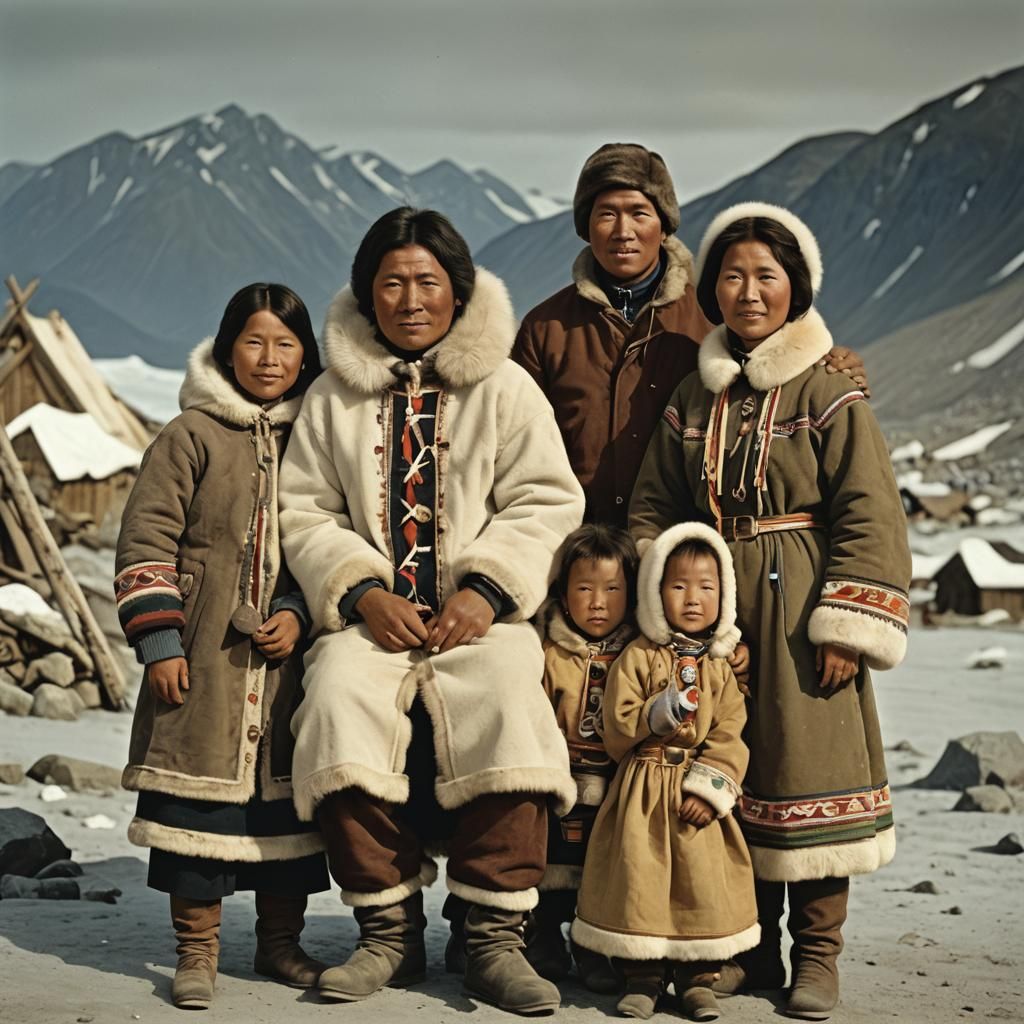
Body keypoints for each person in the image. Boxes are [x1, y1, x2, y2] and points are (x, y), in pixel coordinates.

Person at [277, 207, 584, 1014]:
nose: (410, 300)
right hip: (370, 623)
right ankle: (388, 933)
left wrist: (487, 591)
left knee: (512, 703)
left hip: (483, 622)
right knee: (336, 698)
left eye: (427, 282)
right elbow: (304, 510)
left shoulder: (504, 387)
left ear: (459, 290)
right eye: (392, 283)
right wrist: (361, 591)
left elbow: (547, 501)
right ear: (366, 294)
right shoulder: (332, 397)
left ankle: (493, 940)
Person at [630, 203, 912, 1020]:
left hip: (803, 609)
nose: (749, 292)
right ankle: (748, 949)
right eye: (732, 276)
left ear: (797, 286)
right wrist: (675, 602)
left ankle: (817, 956)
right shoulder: (695, 395)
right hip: (715, 611)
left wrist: (848, 626)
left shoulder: (829, 391)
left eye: (767, 275)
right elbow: (652, 504)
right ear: (711, 291)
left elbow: (869, 510)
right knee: (732, 768)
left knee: (809, 770)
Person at [113, 283, 328, 1010]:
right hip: (203, 656)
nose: (269, 358)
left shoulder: (315, 440)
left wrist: (298, 611)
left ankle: (279, 943)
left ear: (306, 355)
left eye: (285, 344)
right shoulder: (190, 435)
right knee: (195, 818)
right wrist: (160, 641)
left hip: (287, 669)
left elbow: (325, 541)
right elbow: (146, 538)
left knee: (286, 815)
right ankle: (197, 951)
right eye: (254, 341)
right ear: (227, 348)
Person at [512, 142, 868, 529]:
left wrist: (829, 363)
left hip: (686, 551)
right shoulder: (545, 329)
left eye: (639, 213)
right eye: (606, 214)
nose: (623, 231)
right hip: (580, 550)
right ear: (586, 226)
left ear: (664, 225)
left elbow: (779, 371)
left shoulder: (714, 316)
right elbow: (518, 445)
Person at [572, 524, 757, 1021]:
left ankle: (697, 979)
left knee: (701, 884)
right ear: (655, 592)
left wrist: (711, 788)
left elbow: (730, 731)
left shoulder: (720, 667)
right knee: (640, 879)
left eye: (706, 587)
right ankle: (643, 976)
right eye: (678, 586)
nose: (693, 599)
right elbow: (615, 723)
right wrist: (655, 715)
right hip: (643, 790)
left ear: (724, 595)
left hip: (695, 793)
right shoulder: (637, 656)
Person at [525, 524, 639, 994]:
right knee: (551, 860)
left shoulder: (639, 651)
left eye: (612, 589)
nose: (598, 603)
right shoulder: (547, 651)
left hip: (614, 784)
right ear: (562, 592)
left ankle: (592, 946)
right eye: (585, 589)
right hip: (559, 780)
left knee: (599, 868)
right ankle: (544, 936)